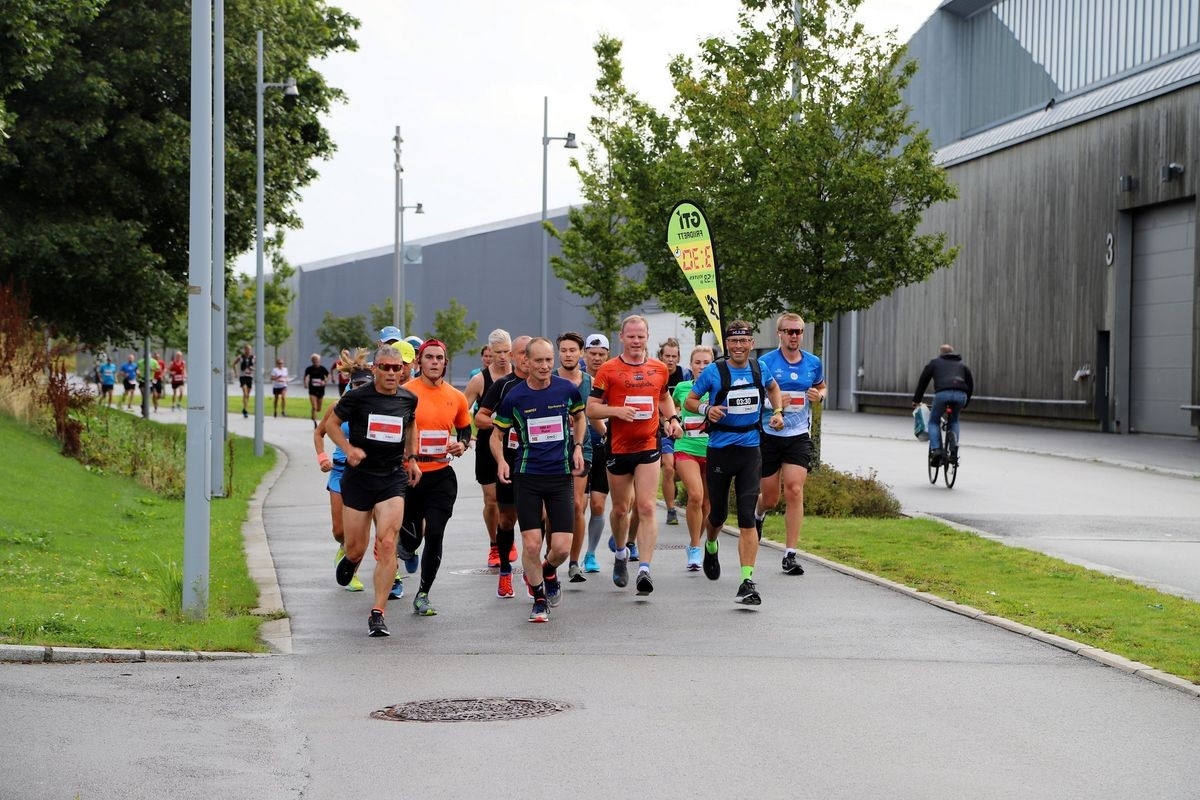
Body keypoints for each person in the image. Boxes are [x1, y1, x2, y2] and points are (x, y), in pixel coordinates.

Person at [685, 321, 784, 605]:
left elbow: (774, 389)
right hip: (720, 450)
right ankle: (711, 544)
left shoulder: (758, 368)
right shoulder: (715, 371)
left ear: (752, 343)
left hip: (750, 449)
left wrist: (777, 411)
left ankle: (747, 581)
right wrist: (707, 408)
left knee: (746, 516)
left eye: (744, 341)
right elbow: (691, 400)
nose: (739, 346)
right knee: (717, 515)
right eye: (733, 342)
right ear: (727, 344)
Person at [325, 344, 420, 637]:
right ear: (375, 369)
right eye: (386, 368)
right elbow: (331, 425)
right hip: (359, 479)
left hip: (391, 478)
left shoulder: (408, 399)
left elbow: (411, 425)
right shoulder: (357, 397)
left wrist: (412, 458)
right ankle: (351, 561)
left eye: (397, 368)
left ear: (403, 370)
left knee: (388, 542)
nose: (392, 373)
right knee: (356, 547)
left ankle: (378, 612)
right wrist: (348, 448)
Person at [492, 337, 587, 623]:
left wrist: (578, 446)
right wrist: (500, 462)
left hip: (560, 476)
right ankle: (539, 598)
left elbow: (580, 418)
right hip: (527, 476)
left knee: (560, 548)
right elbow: (496, 435)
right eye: (539, 361)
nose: (545, 366)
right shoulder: (515, 397)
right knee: (532, 544)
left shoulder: (567, 390)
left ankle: (548, 570)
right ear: (527, 362)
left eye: (549, 360)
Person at [587, 315, 683, 595]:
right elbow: (592, 408)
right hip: (617, 448)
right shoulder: (608, 369)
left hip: (648, 447)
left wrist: (673, 418)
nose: (636, 341)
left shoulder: (658, 368)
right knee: (619, 509)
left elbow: (663, 397)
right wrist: (616, 411)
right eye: (631, 336)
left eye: (640, 336)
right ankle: (620, 553)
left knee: (647, 507)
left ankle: (644, 569)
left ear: (647, 337)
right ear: (622, 337)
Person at [395, 339, 473, 617]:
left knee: (436, 532)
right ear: (419, 362)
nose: (435, 362)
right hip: (408, 476)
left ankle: (423, 593)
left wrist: (462, 445)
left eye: (439, 358)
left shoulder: (457, 396)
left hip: (441, 475)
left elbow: (465, 429)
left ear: (445, 363)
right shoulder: (404, 393)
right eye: (429, 357)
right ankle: (406, 546)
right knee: (412, 536)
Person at [754, 312, 828, 576]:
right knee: (771, 498)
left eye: (798, 331)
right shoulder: (765, 362)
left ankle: (790, 554)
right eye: (789, 331)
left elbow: (822, 386)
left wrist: (818, 396)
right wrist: (774, 405)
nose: (794, 336)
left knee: (795, 490)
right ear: (779, 334)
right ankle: (758, 513)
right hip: (769, 434)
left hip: (798, 435)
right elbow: (755, 396)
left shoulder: (813, 362)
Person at [474, 334, 532, 597]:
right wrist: (503, 424)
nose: (524, 358)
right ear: (512, 356)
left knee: (537, 520)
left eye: (526, 353)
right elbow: (480, 417)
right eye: (519, 353)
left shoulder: (550, 384)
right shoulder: (504, 385)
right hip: (509, 460)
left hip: (540, 463)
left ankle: (536, 575)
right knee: (507, 518)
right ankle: (506, 572)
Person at [314, 352, 375, 593]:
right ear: (350, 384)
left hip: (365, 474)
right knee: (339, 531)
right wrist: (322, 458)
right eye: (358, 384)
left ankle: (352, 572)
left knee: (358, 530)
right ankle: (344, 548)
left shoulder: (377, 407)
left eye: (366, 385)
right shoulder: (338, 407)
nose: (362, 389)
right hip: (339, 472)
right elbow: (319, 433)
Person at [463, 329, 515, 573]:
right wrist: (494, 422)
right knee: (491, 500)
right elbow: (463, 413)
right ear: (489, 353)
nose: (503, 357)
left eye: (507, 352)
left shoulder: (520, 376)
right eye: (498, 353)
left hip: (515, 446)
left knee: (513, 499)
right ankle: (495, 543)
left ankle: (508, 536)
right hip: (487, 445)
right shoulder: (480, 380)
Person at [555, 331, 601, 582]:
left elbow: (597, 413)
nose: (568, 354)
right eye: (564, 350)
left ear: (581, 353)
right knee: (549, 510)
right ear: (558, 352)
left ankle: (574, 562)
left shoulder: (590, 382)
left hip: (582, 448)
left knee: (575, 505)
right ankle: (553, 554)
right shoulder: (548, 379)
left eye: (573, 350)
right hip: (550, 450)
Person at [672, 346, 714, 571]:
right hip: (686, 448)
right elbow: (670, 410)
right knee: (696, 496)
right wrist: (674, 422)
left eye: (706, 362)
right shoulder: (682, 387)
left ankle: (693, 543)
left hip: (713, 450)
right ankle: (697, 549)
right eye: (698, 362)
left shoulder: (718, 388)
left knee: (707, 504)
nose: (702, 367)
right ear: (691, 365)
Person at [912, 344, 974, 465]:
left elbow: (923, 381)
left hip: (943, 394)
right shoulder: (962, 365)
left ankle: (936, 451)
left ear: (940, 353)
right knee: (954, 421)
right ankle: (954, 451)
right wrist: (966, 402)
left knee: (933, 421)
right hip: (961, 395)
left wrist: (917, 400)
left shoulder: (935, 363)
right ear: (953, 353)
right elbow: (970, 384)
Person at [581, 333, 610, 573]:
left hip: (603, 447)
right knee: (579, 505)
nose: (597, 358)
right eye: (593, 354)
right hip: (579, 448)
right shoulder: (577, 380)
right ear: (585, 354)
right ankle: (572, 553)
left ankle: (590, 554)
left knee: (599, 505)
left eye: (601, 354)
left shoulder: (611, 377)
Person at [657, 338, 690, 526]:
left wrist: (675, 419)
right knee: (668, 467)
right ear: (661, 356)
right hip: (661, 429)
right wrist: (665, 421)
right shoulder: (656, 373)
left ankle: (672, 484)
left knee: (678, 471)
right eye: (667, 356)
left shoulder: (684, 375)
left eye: (674, 356)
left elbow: (685, 402)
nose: (670, 360)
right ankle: (671, 510)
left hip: (681, 427)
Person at [303, 353, 330, 428]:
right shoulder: (309, 369)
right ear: (312, 361)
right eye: (314, 360)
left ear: (319, 360)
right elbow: (305, 377)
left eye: (317, 360)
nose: (315, 361)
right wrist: (305, 383)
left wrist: (324, 381)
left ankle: (313, 415)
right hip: (312, 390)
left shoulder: (322, 368)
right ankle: (315, 422)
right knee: (314, 407)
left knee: (318, 409)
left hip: (321, 390)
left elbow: (328, 376)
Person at [233, 345, 255, 418]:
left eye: (249, 349)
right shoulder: (241, 357)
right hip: (243, 377)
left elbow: (256, 367)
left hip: (250, 377)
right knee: (245, 393)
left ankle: (245, 408)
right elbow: (234, 364)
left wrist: (253, 369)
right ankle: (245, 410)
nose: (248, 350)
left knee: (248, 394)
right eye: (247, 349)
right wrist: (236, 373)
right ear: (244, 350)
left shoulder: (253, 357)